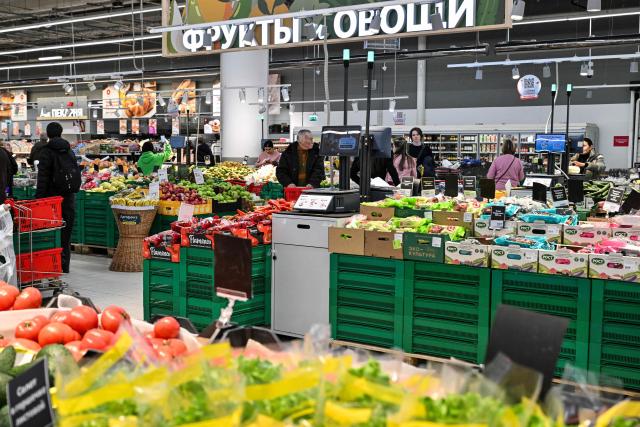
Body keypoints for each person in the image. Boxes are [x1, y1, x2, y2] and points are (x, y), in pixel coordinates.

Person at [35, 122, 81, 273]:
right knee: (66, 232)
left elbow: (42, 178)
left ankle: (51, 265)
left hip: (51, 200)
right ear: (61, 133)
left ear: (48, 134)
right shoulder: (69, 151)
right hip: (68, 197)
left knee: (50, 232)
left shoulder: (46, 151)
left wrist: (38, 199)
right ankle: (64, 265)